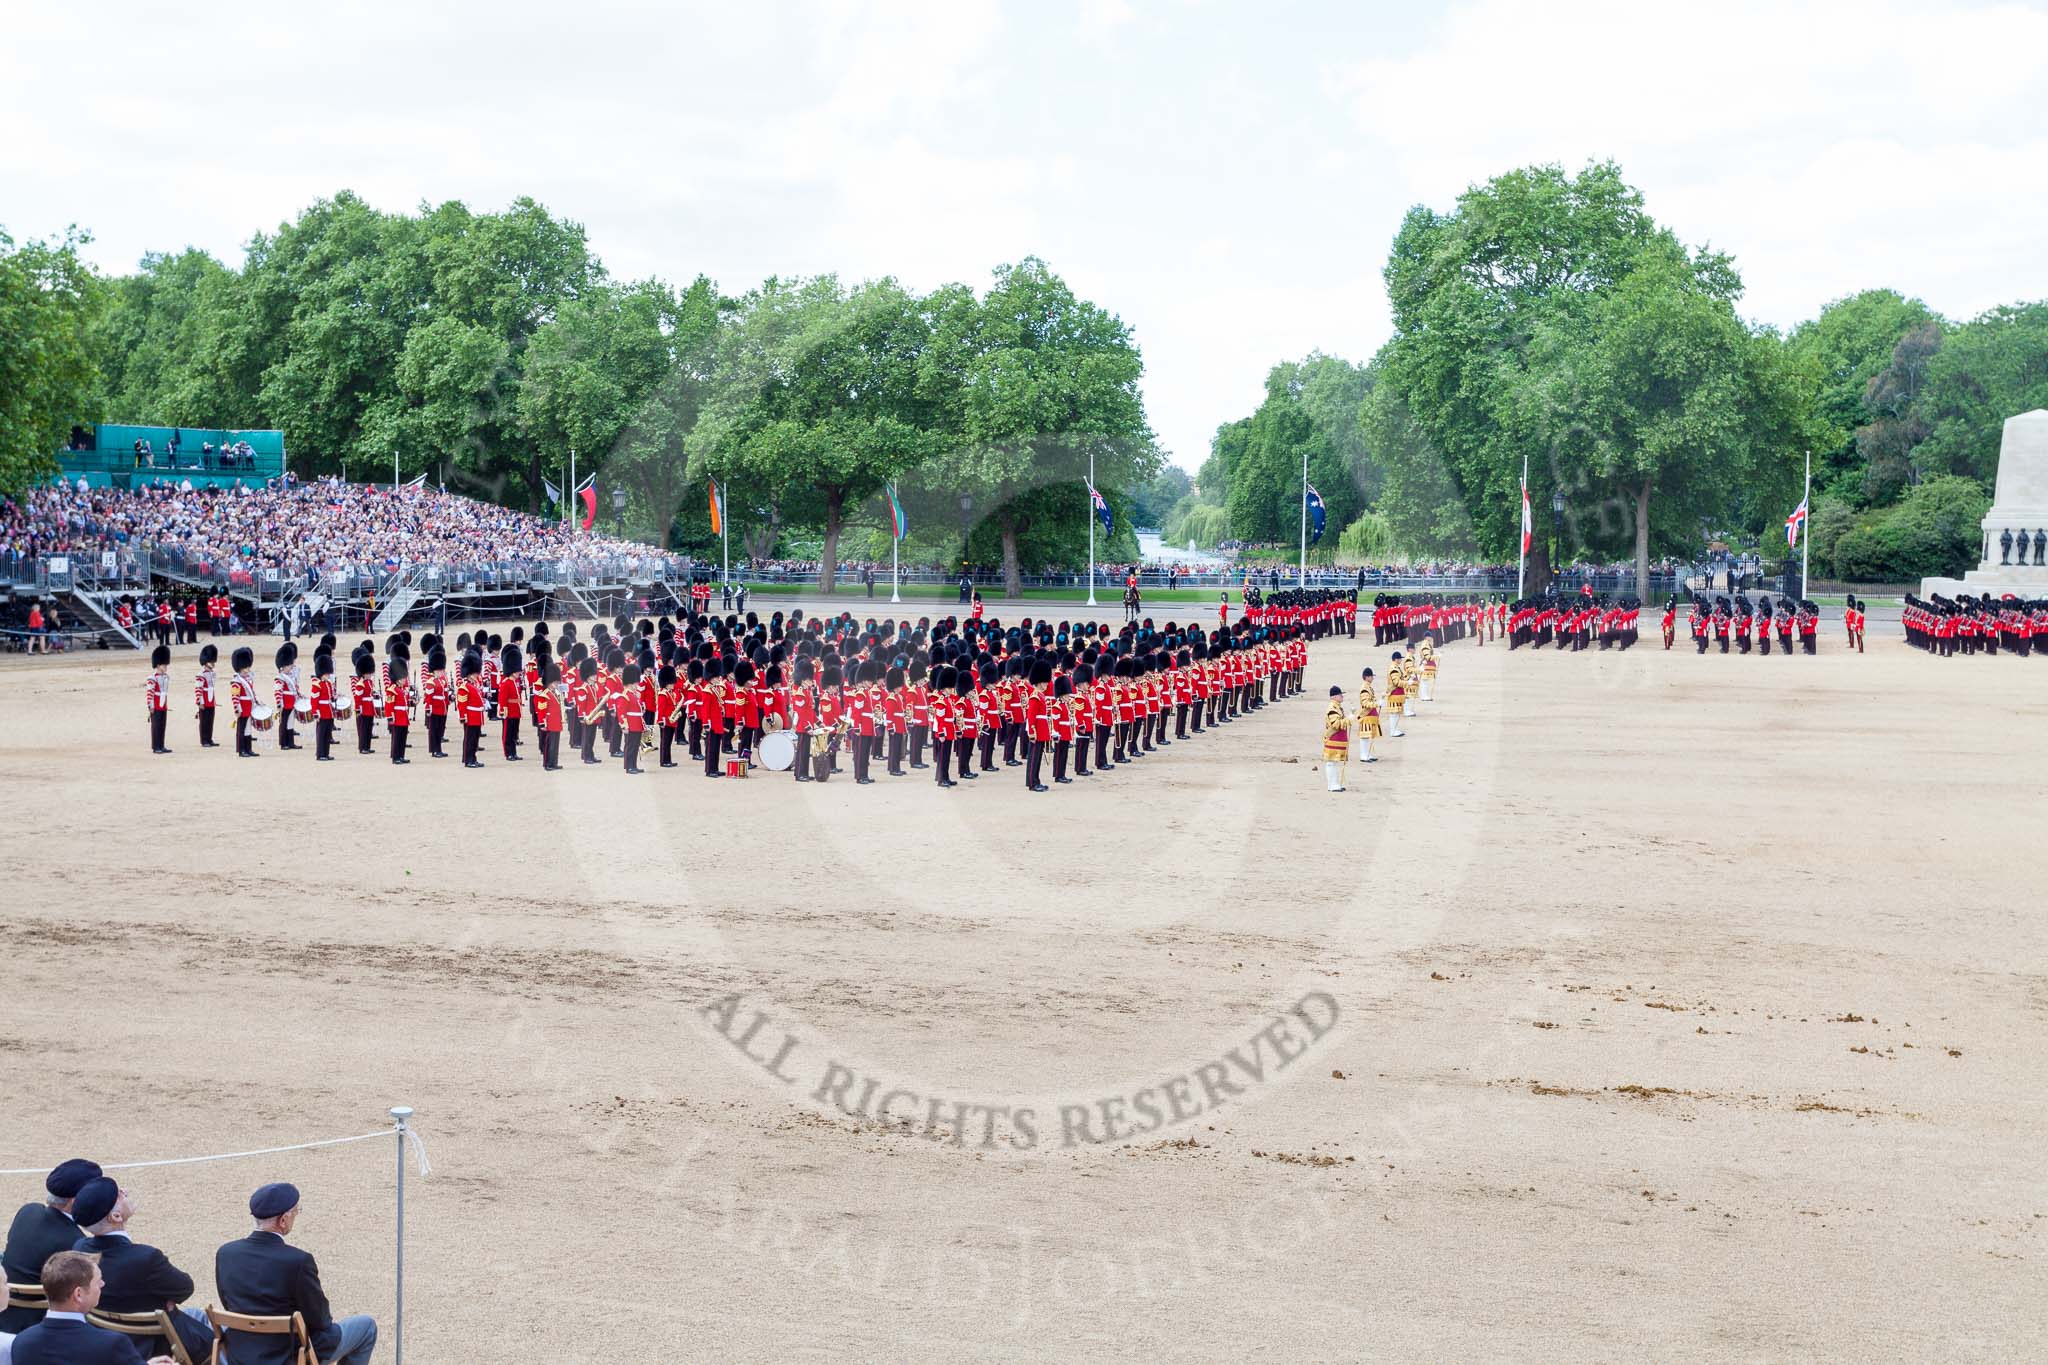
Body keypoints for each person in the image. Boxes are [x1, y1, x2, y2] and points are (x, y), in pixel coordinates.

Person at [215, 1183, 378, 1365]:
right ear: (283, 1220)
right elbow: (320, 1320)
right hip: (288, 1356)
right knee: (367, 1327)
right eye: (295, 1212)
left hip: (240, 1351)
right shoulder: (298, 1261)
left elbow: (228, 1302)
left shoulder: (225, 1253)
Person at [68, 1177, 213, 1363]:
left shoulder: (80, 1248)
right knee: (221, 1335)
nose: (125, 1192)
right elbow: (185, 1288)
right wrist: (165, 1302)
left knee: (196, 1314)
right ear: (116, 1217)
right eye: (120, 1195)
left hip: (111, 1338)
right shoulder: (145, 1258)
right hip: (156, 1345)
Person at [8, 1249, 176, 1365]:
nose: (102, 1284)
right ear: (78, 1294)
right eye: (98, 1281)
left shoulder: (22, 1342)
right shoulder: (111, 1344)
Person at [2, 1158, 102, 1334]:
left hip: (5, 1312)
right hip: (38, 1324)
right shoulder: (74, 1242)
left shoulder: (28, 1211)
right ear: (74, 1202)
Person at [145, 645, 172, 754]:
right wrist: (150, 705)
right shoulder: (152, 678)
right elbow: (150, 693)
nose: (166, 666)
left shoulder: (166, 677)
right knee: (156, 726)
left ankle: (161, 745)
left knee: (162, 725)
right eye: (164, 664)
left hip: (163, 704)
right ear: (158, 664)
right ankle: (156, 746)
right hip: (155, 705)